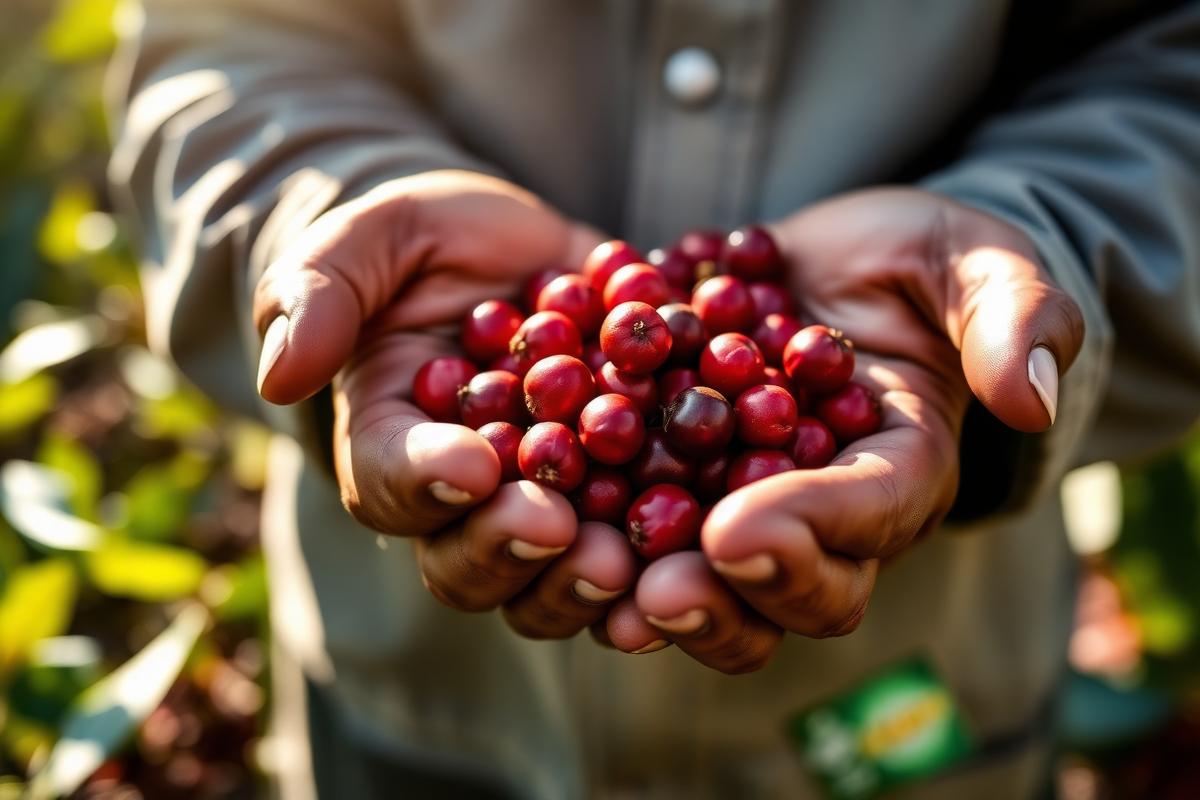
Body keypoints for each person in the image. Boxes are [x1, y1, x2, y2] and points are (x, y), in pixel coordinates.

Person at [107, 1, 1200, 797]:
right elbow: (220, 45)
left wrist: (1037, 242)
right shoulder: (602, 380)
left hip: (921, 708)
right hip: (422, 706)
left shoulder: (646, 384)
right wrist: (328, 213)